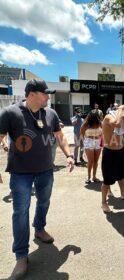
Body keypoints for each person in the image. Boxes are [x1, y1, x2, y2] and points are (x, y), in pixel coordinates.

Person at [0, 79, 75, 279]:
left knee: (44, 202)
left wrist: (68, 155)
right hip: (20, 173)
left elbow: (60, 137)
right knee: (20, 212)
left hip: (45, 171)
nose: (48, 97)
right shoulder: (10, 113)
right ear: (32, 94)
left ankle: (39, 229)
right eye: (45, 93)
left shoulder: (50, 113)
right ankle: (21, 256)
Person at [80, 111, 103, 184]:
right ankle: (89, 177)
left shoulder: (100, 123)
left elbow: (103, 132)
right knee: (91, 161)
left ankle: (94, 176)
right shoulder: (86, 124)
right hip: (89, 142)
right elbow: (81, 134)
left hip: (97, 142)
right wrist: (84, 142)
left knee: (95, 161)